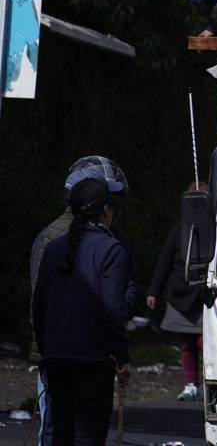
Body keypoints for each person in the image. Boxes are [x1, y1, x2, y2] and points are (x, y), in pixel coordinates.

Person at [29, 158, 129, 446]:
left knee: (58, 435)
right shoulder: (111, 249)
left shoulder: (52, 247)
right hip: (93, 362)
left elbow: (39, 306)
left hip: (56, 360)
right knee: (88, 437)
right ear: (106, 211)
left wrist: (47, 354)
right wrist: (121, 359)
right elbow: (113, 310)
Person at [147, 182, 209, 401]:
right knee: (186, 343)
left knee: (206, 342)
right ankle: (191, 384)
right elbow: (164, 261)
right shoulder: (179, 229)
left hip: (204, 294)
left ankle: (211, 383)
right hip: (179, 293)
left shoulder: (216, 227)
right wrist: (153, 291)